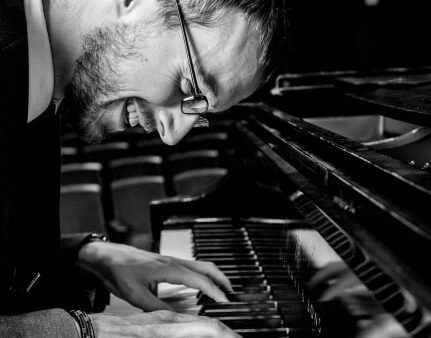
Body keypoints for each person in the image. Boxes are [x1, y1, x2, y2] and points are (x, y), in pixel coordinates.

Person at [0, 0, 287, 337]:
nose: (172, 135)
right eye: (191, 87)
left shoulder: (37, 77)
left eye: (200, 110)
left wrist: (82, 256)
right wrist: (84, 331)